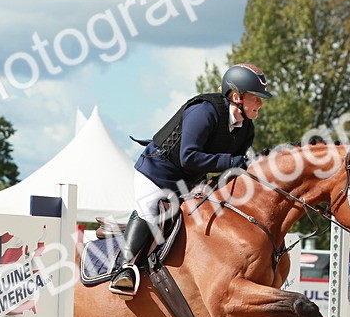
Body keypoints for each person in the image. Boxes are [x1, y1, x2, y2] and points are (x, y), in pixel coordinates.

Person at [110, 63, 272, 296]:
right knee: (149, 211)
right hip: (158, 174)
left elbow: (239, 167)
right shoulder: (204, 112)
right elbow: (189, 157)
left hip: (191, 181)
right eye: (256, 97)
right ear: (237, 96)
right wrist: (231, 162)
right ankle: (123, 269)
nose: (260, 103)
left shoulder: (246, 129)